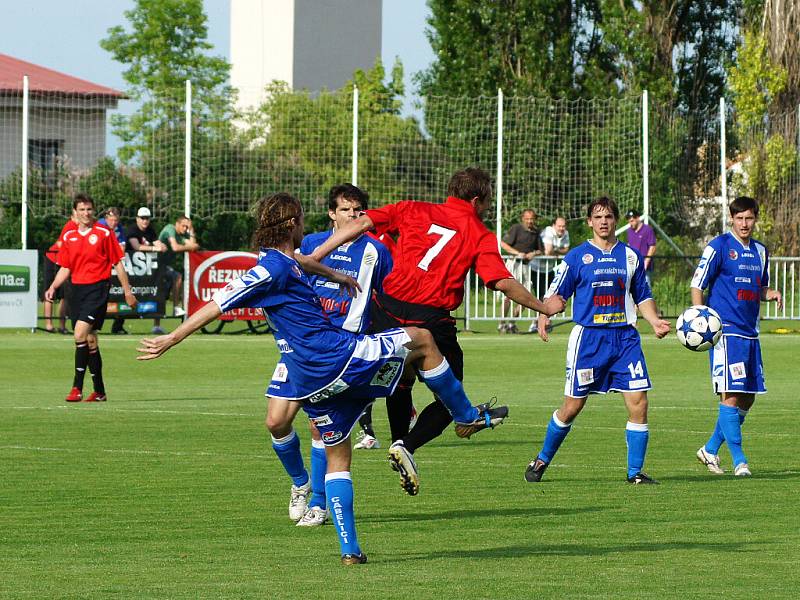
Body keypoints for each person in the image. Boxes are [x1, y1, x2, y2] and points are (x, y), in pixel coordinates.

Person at [137, 192, 509, 565]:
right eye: (299, 219)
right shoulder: (269, 269)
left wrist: (334, 274)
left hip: (310, 381)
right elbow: (221, 302)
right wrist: (172, 337)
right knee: (423, 339)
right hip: (335, 356)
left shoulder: (286, 260)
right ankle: (464, 415)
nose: (304, 226)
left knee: (339, 455)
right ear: (290, 225)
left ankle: (350, 551)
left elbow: (301, 263)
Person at [308, 167, 565, 496]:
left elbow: (361, 223)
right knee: (452, 398)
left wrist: (317, 254)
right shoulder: (479, 233)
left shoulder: (413, 208)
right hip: (430, 317)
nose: (487, 207)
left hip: (386, 309)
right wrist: (544, 307)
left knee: (399, 381)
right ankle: (407, 445)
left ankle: (394, 444)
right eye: (486, 201)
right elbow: (502, 282)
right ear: (476, 200)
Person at [271, 183, 393, 529]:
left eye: (358, 210)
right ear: (331, 213)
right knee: (276, 422)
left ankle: (319, 503)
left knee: (318, 426)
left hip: (340, 350)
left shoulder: (376, 251)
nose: (353, 215)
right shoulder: (309, 245)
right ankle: (300, 482)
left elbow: (386, 297)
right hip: (300, 346)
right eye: (345, 209)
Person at [525, 196, 670, 485]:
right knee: (572, 407)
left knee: (639, 402)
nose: (604, 221)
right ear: (590, 222)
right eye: (598, 217)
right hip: (589, 340)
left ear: (615, 221)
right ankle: (542, 459)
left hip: (625, 339)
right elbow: (557, 293)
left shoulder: (630, 257)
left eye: (609, 216)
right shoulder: (577, 257)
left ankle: (635, 473)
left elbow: (642, 295)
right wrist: (544, 314)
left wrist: (653, 320)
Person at [691, 196, 782, 477]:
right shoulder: (718, 246)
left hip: (750, 335)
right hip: (725, 333)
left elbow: (759, 288)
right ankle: (740, 461)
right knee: (729, 396)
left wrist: (772, 294)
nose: (744, 223)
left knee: (748, 397)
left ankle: (709, 449)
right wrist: (699, 314)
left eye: (749, 218)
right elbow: (698, 283)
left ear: (756, 219)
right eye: (739, 218)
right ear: (732, 219)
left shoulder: (760, 251)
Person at [45, 194, 137, 403]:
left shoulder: (104, 233)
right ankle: (100, 391)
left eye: (89, 210)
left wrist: (127, 291)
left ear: (93, 211)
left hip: (98, 290)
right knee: (90, 340)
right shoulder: (69, 237)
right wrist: (53, 286)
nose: (86, 213)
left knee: (79, 334)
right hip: (76, 291)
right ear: (75, 213)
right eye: (82, 210)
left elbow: (118, 263)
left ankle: (76, 387)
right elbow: (66, 267)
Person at [498, 208, 545, 333]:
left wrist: (533, 254)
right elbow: (503, 244)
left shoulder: (536, 232)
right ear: (523, 219)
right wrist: (518, 253)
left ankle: (512, 323)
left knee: (525, 296)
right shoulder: (516, 228)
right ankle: (502, 323)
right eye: (527, 219)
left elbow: (541, 250)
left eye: (531, 219)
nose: (529, 221)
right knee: (507, 295)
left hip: (526, 266)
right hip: (514, 263)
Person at [153, 216, 200, 333]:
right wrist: (189, 247)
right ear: (177, 224)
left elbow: (194, 245)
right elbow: (175, 247)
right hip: (155, 265)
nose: (185, 229)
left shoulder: (182, 234)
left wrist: (192, 230)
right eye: (184, 226)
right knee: (163, 290)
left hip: (165, 266)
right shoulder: (170, 229)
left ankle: (175, 309)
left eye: (187, 227)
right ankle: (157, 324)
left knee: (176, 279)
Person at [125, 207, 167, 333]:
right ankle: (118, 324)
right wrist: (155, 249)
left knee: (158, 291)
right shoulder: (132, 230)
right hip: (132, 269)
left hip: (149, 270)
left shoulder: (150, 230)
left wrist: (162, 246)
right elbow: (136, 246)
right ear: (137, 218)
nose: (145, 221)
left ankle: (157, 325)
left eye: (147, 218)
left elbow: (159, 244)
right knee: (126, 296)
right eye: (142, 218)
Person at [42, 211, 78, 334]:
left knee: (65, 296)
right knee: (50, 293)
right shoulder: (70, 225)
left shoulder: (84, 228)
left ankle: (62, 326)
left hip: (64, 264)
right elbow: (60, 244)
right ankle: (48, 325)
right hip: (53, 259)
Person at [536, 215, 572, 333]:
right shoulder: (548, 231)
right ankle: (509, 322)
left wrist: (554, 252)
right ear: (553, 225)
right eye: (559, 226)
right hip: (535, 267)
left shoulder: (565, 233)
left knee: (547, 295)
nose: (562, 228)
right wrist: (556, 251)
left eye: (563, 226)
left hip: (549, 268)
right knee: (534, 297)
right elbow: (548, 251)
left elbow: (566, 249)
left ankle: (542, 321)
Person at [98, 207, 129, 335]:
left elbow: (121, 249)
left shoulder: (118, 228)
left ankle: (118, 326)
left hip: (112, 265)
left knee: (119, 296)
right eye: (112, 220)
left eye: (116, 220)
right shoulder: (99, 226)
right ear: (106, 218)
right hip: (99, 268)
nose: (114, 223)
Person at [626, 209, 657, 287]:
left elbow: (652, 246)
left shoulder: (647, 230)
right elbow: (629, 245)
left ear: (638, 218)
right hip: (633, 267)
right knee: (632, 293)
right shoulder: (629, 231)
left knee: (645, 292)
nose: (630, 223)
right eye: (629, 221)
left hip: (645, 268)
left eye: (632, 220)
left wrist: (646, 263)